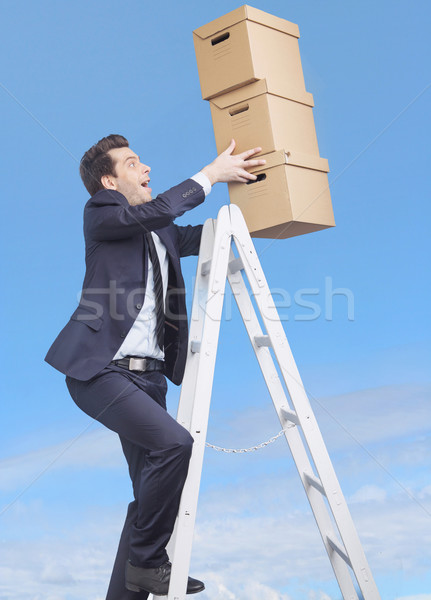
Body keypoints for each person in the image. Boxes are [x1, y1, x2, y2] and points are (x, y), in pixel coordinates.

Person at [45, 134, 265, 598]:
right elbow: (156, 210)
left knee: (148, 493)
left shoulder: (159, 228)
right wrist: (209, 175)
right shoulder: (102, 213)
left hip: (151, 380)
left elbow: (206, 234)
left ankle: (138, 575)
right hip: (101, 372)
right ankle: (148, 562)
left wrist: (264, 201)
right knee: (175, 445)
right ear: (109, 181)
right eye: (132, 163)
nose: (146, 168)